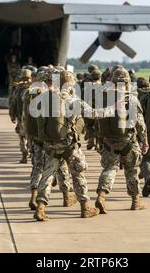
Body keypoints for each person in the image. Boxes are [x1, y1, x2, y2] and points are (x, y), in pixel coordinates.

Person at [34, 70, 99, 221]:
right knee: (78, 174)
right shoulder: (72, 99)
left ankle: (41, 207)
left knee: (48, 175)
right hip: (69, 146)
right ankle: (85, 207)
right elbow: (93, 113)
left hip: (51, 145)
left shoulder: (45, 98)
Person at [95, 68, 148, 213]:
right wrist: (145, 141)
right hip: (128, 141)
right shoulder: (131, 99)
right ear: (127, 82)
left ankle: (101, 195)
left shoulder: (104, 98)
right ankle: (135, 201)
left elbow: (98, 120)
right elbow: (140, 123)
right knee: (131, 171)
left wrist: (99, 139)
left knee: (109, 169)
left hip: (109, 141)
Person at [23, 67, 77, 210]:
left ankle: (34, 196)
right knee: (61, 167)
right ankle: (66, 196)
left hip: (35, 137)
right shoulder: (52, 95)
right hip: (52, 138)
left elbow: (26, 118)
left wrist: (29, 137)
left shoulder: (29, 93)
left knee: (38, 167)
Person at [10, 69, 32, 164]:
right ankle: (34, 155)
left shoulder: (18, 89)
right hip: (32, 118)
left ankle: (24, 156)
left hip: (21, 117)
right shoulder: (34, 87)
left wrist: (12, 115)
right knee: (32, 137)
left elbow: (13, 104)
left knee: (22, 137)